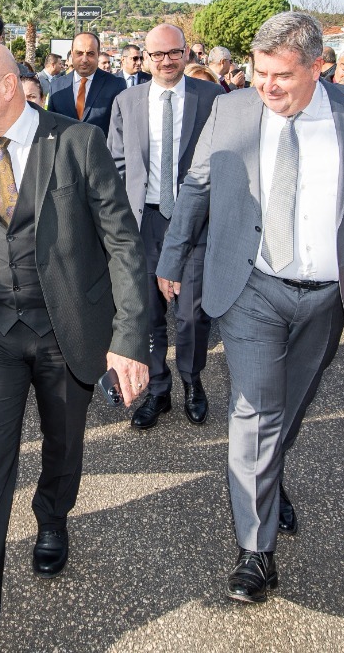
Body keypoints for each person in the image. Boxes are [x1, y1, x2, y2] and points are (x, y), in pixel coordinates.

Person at [157, 10, 344, 603]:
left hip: (325, 298)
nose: (267, 86)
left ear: (318, 67)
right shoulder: (232, 108)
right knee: (255, 411)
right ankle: (255, 552)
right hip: (252, 288)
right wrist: (171, 256)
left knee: (288, 407)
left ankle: (263, 480)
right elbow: (199, 184)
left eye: (282, 76)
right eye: (259, 72)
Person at [0, 44, 151, 653]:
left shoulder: (78, 143)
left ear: (7, 87)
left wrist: (129, 339)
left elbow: (124, 245)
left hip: (67, 333)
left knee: (63, 445)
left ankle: (53, 518)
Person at [108, 23, 222, 430]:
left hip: (195, 222)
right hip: (145, 221)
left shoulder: (213, 97)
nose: (166, 61)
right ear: (146, 57)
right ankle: (159, 389)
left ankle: (193, 381)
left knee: (193, 313)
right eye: (157, 54)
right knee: (149, 313)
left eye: (173, 52)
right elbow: (117, 164)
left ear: (187, 52)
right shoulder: (127, 101)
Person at [45, 31, 124, 132]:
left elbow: (120, 127)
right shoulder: (56, 85)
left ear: (98, 55)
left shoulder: (116, 85)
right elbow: (51, 126)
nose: (84, 59)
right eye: (79, 53)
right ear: (72, 54)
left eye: (90, 54)